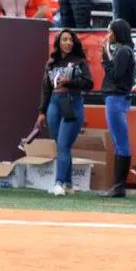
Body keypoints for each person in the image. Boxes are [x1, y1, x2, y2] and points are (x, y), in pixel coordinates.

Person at [34, 29, 94, 197]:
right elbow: (45, 89)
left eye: (70, 40)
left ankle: (59, 183)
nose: (68, 43)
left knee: (63, 145)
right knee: (62, 145)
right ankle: (68, 184)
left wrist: (70, 82)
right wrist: (41, 112)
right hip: (54, 102)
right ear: (58, 42)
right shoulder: (51, 63)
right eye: (64, 39)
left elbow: (89, 84)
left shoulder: (79, 62)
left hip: (72, 103)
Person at [98, 19, 136, 198]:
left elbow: (115, 75)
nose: (108, 35)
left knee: (120, 142)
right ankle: (117, 185)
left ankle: (119, 186)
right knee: (119, 142)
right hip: (117, 99)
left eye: (110, 32)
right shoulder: (124, 51)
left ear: (117, 33)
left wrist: (105, 54)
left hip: (116, 99)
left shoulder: (123, 51)